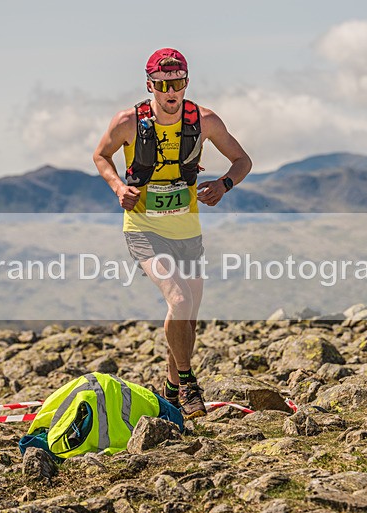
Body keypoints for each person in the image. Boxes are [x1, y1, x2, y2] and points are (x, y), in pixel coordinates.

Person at [92, 48, 252, 419]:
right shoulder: (128, 121)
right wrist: (118, 187)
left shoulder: (204, 120)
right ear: (150, 85)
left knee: (187, 320)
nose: (171, 91)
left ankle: (167, 391)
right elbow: (101, 155)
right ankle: (189, 384)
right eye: (163, 84)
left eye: (177, 83)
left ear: (186, 83)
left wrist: (225, 184)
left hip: (187, 232)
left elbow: (242, 160)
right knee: (178, 300)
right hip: (144, 229)